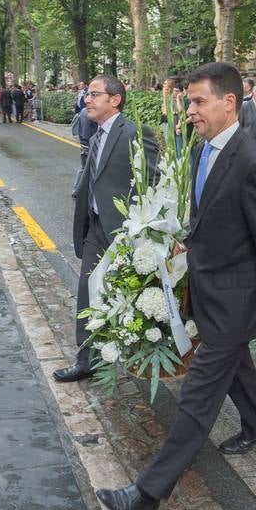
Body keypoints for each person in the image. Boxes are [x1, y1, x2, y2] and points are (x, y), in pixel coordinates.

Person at [95, 62, 256, 510]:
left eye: (198, 101)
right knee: (237, 367)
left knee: (198, 397)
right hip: (210, 288)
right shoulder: (205, 151)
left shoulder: (254, 163)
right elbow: (214, 214)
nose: (189, 110)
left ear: (230, 102)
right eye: (189, 102)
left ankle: (147, 494)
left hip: (236, 300)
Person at [55, 75, 159, 384]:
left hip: (123, 235)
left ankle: (141, 355)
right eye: (87, 94)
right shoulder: (95, 132)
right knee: (88, 293)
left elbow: (150, 183)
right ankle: (87, 359)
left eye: (95, 94)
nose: (87, 99)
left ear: (115, 100)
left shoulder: (136, 133)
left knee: (127, 298)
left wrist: (140, 234)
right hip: (95, 229)